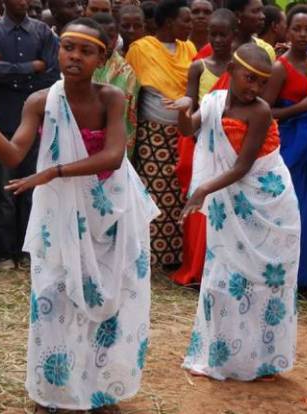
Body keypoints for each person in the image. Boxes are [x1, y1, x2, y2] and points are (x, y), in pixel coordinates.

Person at [0, 17, 159, 412]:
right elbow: (13, 155)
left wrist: (53, 172)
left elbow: (113, 155)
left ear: (101, 59)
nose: (75, 57)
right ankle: (53, 391)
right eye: (68, 47)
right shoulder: (40, 101)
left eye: (86, 51)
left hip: (111, 210)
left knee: (107, 300)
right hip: (62, 213)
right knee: (54, 296)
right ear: (58, 51)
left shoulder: (111, 97)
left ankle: (99, 389)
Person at [171, 43, 300, 381]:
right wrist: (184, 109)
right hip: (229, 200)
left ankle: (260, 360)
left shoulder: (260, 111)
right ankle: (225, 356)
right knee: (224, 279)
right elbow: (187, 130)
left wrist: (203, 189)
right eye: (249, 78)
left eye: (262, 82)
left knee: (262, 283)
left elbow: (243, 167)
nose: (255, 88)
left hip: (266, 201)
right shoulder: (213, 102)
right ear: (230, 71)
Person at [0, 0, 60, 270]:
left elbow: (50, 75)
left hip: (36, 122)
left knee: (32, 189)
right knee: (5, 192)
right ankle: (5, 253)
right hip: (3, 120)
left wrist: (8, 70)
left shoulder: (42, 31)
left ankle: (28, 252)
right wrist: (29, 68)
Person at [262, 6, 307, 290]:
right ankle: (288, 272)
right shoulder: (280, 67)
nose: (302, 35)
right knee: (293, 206)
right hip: (292, 144)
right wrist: (299, 109)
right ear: (287, 31)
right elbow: (265, 110)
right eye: (297, 29)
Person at [126, 0, 195, 267]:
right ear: (168, 22)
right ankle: (152, 254)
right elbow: (130, 91)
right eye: (186, 20)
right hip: (153, 136)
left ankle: (177, 255)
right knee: (154, 191)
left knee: (180, 192)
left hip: (185, 133)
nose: (191, 25)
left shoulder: (189, 48)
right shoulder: (141, 49)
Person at [171, 8, 235, 286]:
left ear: (233, 34)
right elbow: (191, 102)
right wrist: (184, 111)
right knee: (201, 202)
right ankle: (198, 266)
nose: (217, 40)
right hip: (203, 140)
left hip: (232, 143)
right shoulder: (198, 66)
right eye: (213, 34)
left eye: (223, 34)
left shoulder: (239, 65)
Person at [92, 12, 139, 159]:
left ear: (117, 36)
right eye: (101, 37)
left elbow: (129, 116)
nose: (106, 42)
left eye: (111, 36)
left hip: (113, 140)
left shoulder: (127, 72)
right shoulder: (80, 66)